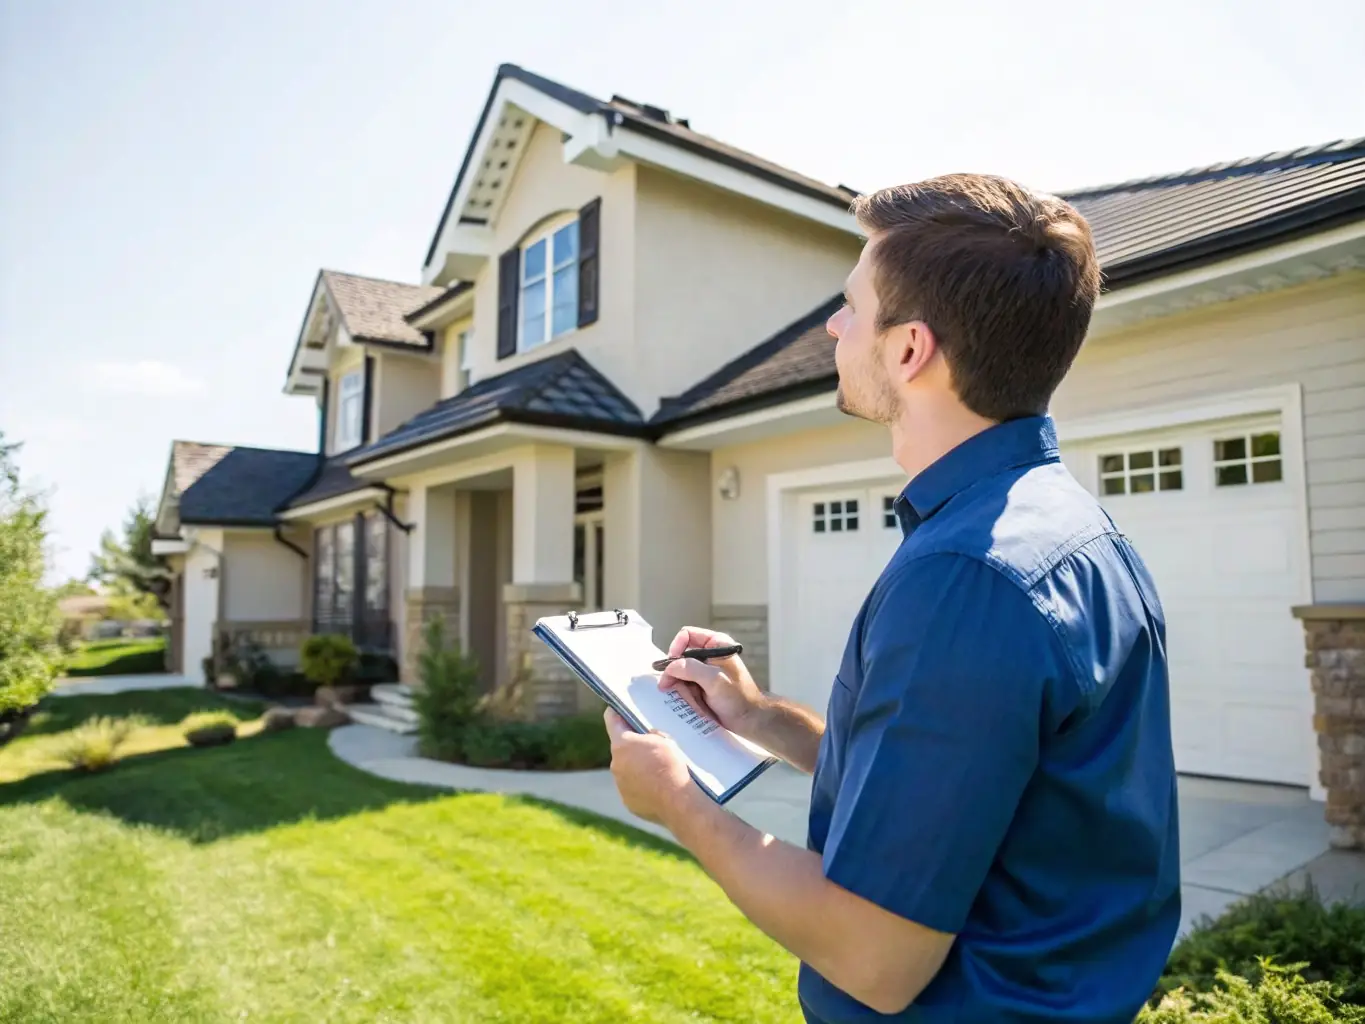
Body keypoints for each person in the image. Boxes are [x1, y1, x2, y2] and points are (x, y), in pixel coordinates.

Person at [603, 173, 1181, 1023]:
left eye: (848, 305)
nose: (833, 326)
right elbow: (956, 782)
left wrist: (677, 804)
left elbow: (875, 956)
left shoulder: (967, 578)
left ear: (908, 348)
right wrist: (759, 718)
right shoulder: (1064, 530)